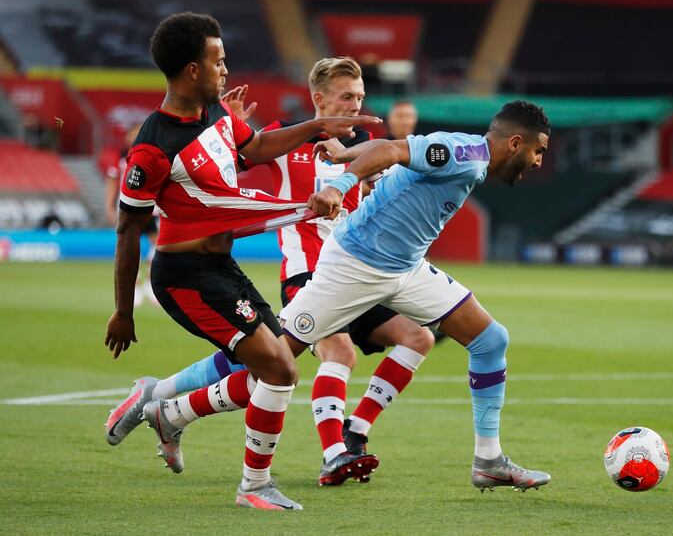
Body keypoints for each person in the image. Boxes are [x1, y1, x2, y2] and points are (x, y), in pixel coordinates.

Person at [105, 57, 434, 487]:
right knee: (318, 357)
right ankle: (334, 453)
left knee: (414, 338)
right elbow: (225, 165)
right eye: (346, 97)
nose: (355, 106)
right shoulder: (286, 141)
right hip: (306, 276)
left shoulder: (366, 150)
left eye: (360, 98)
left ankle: (165, 399)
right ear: (319, 99)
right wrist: (227, 128)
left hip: (358, 275)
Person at [279, 100, 552, 492]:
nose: (539, 162)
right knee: (270, 356)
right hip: (357, 264)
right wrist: (341, 183)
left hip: (405, 269)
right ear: (515, 143)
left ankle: (489, 462)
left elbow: (400, 148)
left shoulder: (466, 154)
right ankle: (171, 404)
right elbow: (391, 150)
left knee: (491, 339)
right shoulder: (466, 156)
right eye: (537, 150)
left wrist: (345, 152)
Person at [99, 123, 159, 306]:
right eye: (132, 133)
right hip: (127, 208)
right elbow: (111, 183)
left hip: (151, 207)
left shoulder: (153, 155)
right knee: (129, 247)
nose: (135, 137)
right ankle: (134, 287)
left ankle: (150, 283)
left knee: (157, 245)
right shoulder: (119, 157)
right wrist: (109, 207)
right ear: (126, 136)